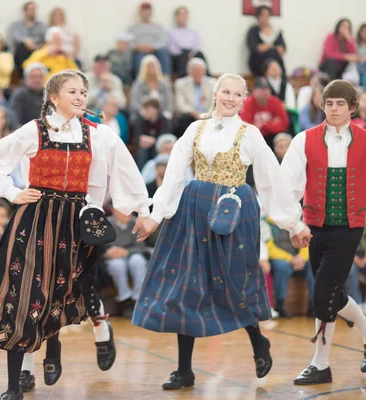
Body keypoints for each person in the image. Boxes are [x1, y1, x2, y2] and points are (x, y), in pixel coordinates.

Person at [0, 69, 151, 400]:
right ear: (53, 98)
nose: (81, 97)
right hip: (36, 218)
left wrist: (144, 211)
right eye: (73, 92)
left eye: (83, 91)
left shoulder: (99, 134)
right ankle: (14, 385)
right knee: (22, 297)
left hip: (75, 222)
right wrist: (13, 193)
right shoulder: (34, 130)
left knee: (64, 292)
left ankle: (57, 350)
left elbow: (125, 169)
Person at [132, 73, 311, 389]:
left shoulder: (250, 133)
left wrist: (293, 224)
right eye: (225, 91)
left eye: (237, 94)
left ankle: (259, 343)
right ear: (215, 94)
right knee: (187, 284)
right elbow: (174, 174)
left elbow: (271, 181)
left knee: (233, 283)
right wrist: (155, 216)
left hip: (234, 211)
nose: (230, 98)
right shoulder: (195, 129)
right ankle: (184, 370)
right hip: (194, 208)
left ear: (244, 100)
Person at [281, 80, 366, 385]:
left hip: (349, 227)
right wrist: (293, 224)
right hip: (314, 225)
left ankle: (320, 363)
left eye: (341, 104)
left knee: (323, 292)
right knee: (332, 294)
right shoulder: (304, 139)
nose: (334, 109)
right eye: (329, 103)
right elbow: (287, 185)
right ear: (322, 105)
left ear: (353, 107)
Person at [246, 6, 286, 76]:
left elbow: (282, 49)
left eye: (267, 15)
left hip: (275, 60)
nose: (265, 17)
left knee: (274, 55)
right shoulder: (253, 31)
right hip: (259, 63)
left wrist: (268, 47)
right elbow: (255, 48)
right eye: (263, 15)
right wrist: (272, 47)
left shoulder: (276, 31)